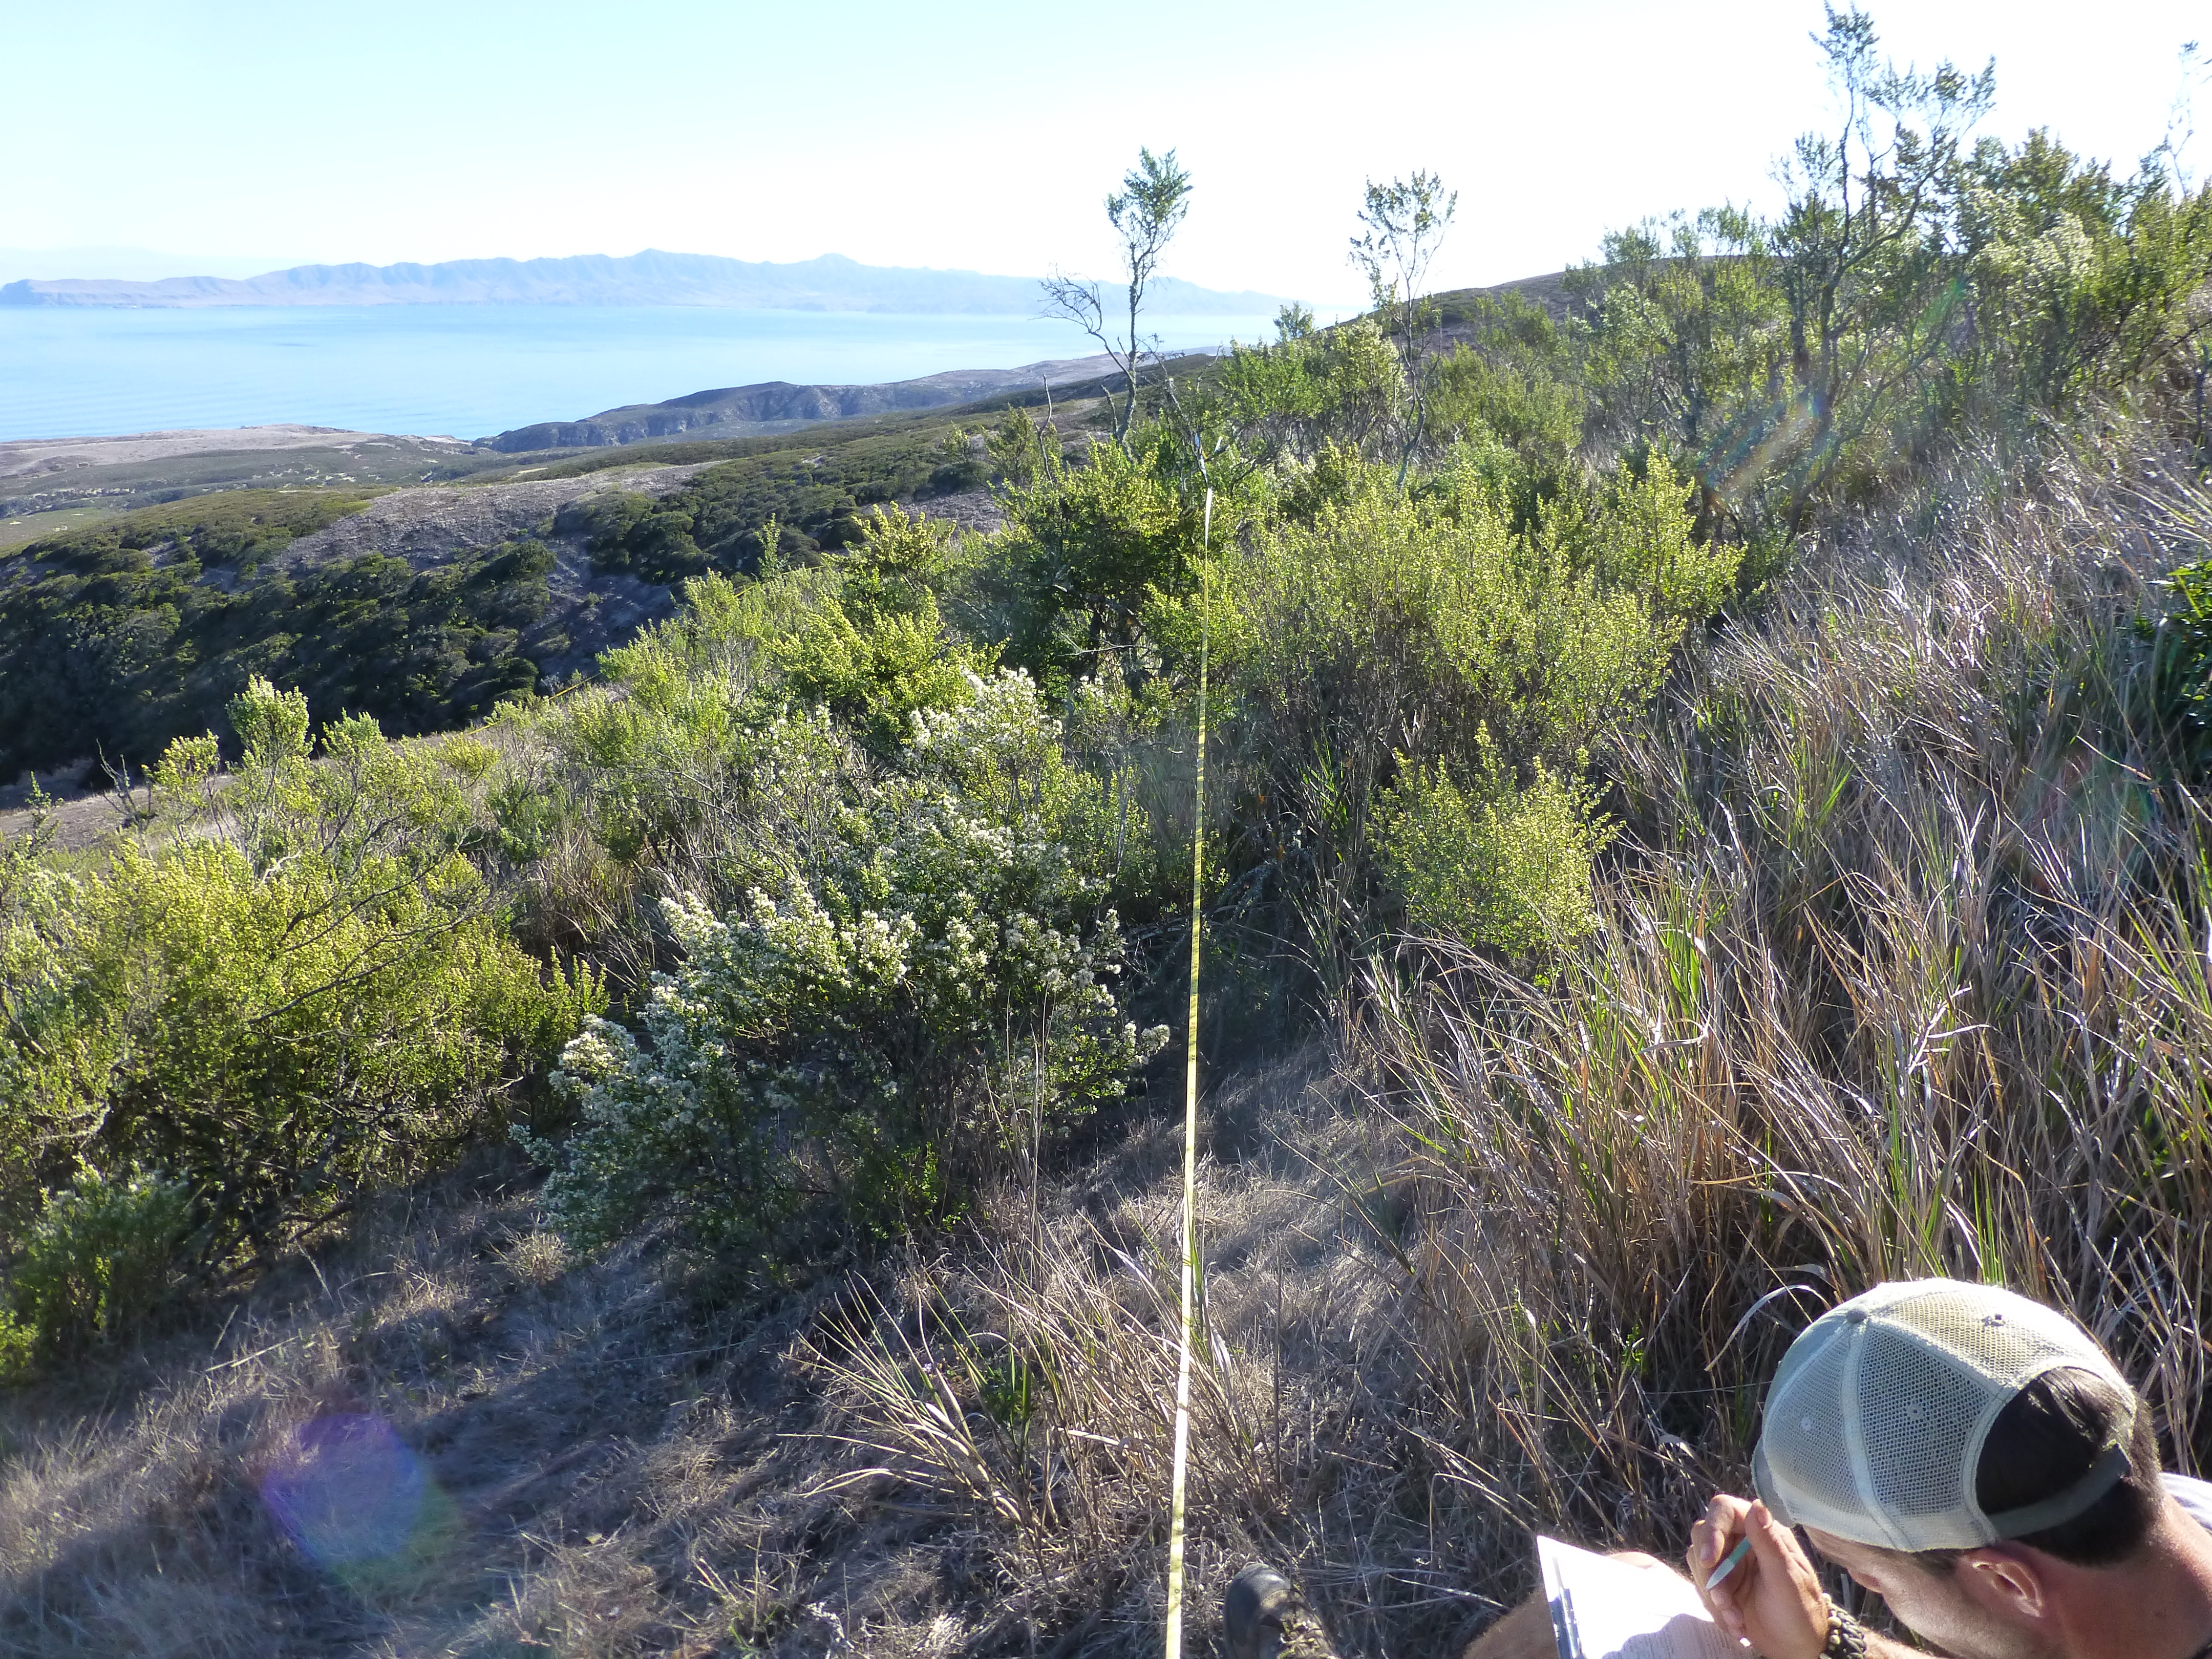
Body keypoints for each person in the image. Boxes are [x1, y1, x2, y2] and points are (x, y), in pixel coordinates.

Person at [1229, 1279, 2212, 1659]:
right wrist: (1823, 1644)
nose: (1866, 1596)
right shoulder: (2171, 1527)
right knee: (1630, 1586)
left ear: (2008, 1580)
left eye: (1869, 1580)